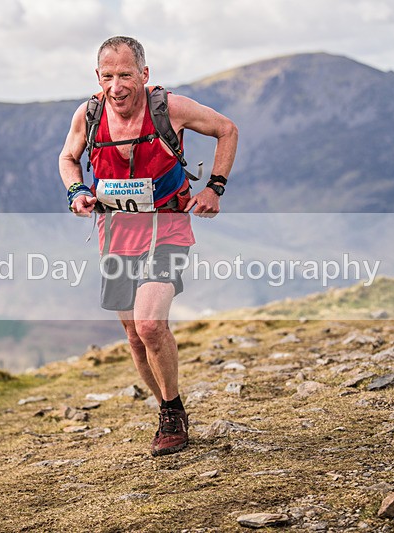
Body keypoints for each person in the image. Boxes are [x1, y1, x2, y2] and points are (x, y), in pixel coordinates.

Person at [58, 36, 238, 456]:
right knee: (134, 337)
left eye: (125, 75)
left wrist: (215, 188)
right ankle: (168, 408)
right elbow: (68, 158)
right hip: (115, 233)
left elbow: (226, 129)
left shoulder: (169, 108)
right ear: (97, 77)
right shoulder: (89, 114)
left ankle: (171, 414)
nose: (116, 86)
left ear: (144, 74)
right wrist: (76, 191)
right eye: (107, 76)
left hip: (167, 229)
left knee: (150, 325)